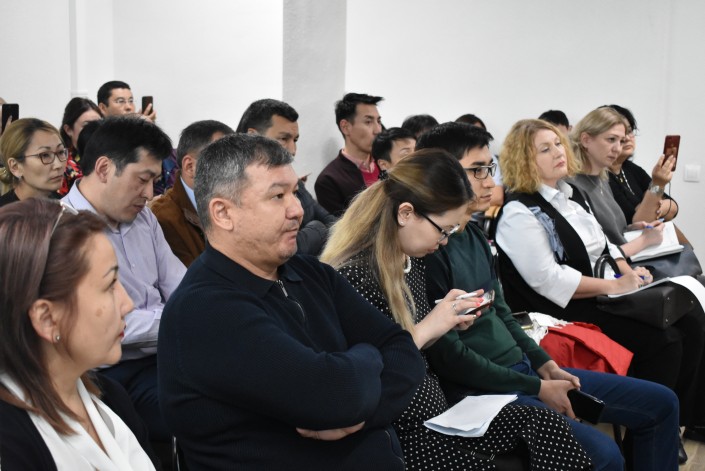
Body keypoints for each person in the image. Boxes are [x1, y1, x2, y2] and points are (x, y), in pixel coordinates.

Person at [417, 121, 681, 470]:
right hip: (484, 391)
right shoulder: (432, 248)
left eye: (489, 169)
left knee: (661, 402)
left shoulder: (474, 235)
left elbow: (502, 312)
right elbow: (451, 357)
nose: (489, 182)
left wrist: (544, 365)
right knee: (603, 455)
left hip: (520, 370)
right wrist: (535, 385)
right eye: (477, 170)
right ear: (442, 174)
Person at [158, 133, 425, 470]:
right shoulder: (205, 309)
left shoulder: (311, 273)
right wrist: (369, 354)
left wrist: (359, 416)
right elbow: (332, 396)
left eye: (295, 192)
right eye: (277, 196)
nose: (297, 210)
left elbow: (403, 350)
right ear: (223, 213)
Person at [321, 150, 592, 470]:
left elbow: (412, 341)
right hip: (397, 429)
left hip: (436, 412)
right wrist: (431, 326)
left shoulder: (410, 262)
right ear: (406, 213)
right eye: (443, 229)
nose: (445, 241)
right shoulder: (355, 276)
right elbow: (370, 368)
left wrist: (446, 320)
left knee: (547, 426)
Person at [495, 119, 705, 461]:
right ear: (524, 160)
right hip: (561, 310)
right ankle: (646, 436)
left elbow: (605, 245)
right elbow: (549, 280)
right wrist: (615, 284)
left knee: (690, 321)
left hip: (602, 293)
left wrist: (629, 272)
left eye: (558, 144)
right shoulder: (519, 211)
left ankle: (674, 423)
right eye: (545, 149)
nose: (558, 152)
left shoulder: (570, 195)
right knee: (665, 341)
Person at [0, 198, 158, 470]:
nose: (128, 304)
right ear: (47, 319)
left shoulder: (111, 398)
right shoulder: (10, 444)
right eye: (109, 285)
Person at [62, 116, 186, 442]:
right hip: (104, 371)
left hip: (163, 354)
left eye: (155, 180)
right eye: (142, 179)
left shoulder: (144, 218)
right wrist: (177, 318)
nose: (149, 193)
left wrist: (192, 310)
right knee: (197, 412)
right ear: (104, 169)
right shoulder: (63, 229)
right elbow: (106, 323)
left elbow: (179, 285)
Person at [236, 98, 337, 255]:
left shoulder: (289, 178)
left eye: (295, 140)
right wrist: (317, 229)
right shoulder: (234, 187)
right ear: (252, 136)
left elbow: (328, 220)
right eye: (283, 139)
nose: (293, 150)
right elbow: (278, 248)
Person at [568, 107, 664, 258]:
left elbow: (612, 234)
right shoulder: (571, 187)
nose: (618, 149)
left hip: (624, 260)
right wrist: (645, 239)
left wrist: (631, 229)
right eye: (611, 139)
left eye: (621, 141)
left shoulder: (602, 178)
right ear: (586, 140)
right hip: (612, 267)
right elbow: (595, 253)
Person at [151, 119, 235, 266]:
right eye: (223, 161)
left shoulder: (238, 205)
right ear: (190, 166)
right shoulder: (163, 218)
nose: (234, 171)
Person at [604, 104, 679, 224]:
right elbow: (637, 222)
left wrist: (655, 207)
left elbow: (673, 207)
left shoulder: (631, 169)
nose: (627, 138)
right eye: (617, 135)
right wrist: (657, 185)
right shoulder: (601, 176)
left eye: (629, 131)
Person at [315, 92, 383, 216]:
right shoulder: (329, 180)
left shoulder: (386, 161)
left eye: (378, 121)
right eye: (368, 122)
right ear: (345, 127)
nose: (378, 130)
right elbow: (340, 226)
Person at [0, 118, 67, 207]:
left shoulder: (66, 207)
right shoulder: (4, 213)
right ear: (15, 166)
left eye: (61, 152)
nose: (58, 165)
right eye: (45, 155)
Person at [59, 97, 102, 194]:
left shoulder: (109, 156)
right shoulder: (62, 166)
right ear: (68, 130)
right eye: (87, 126)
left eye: (99, 124)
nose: (95, 130)